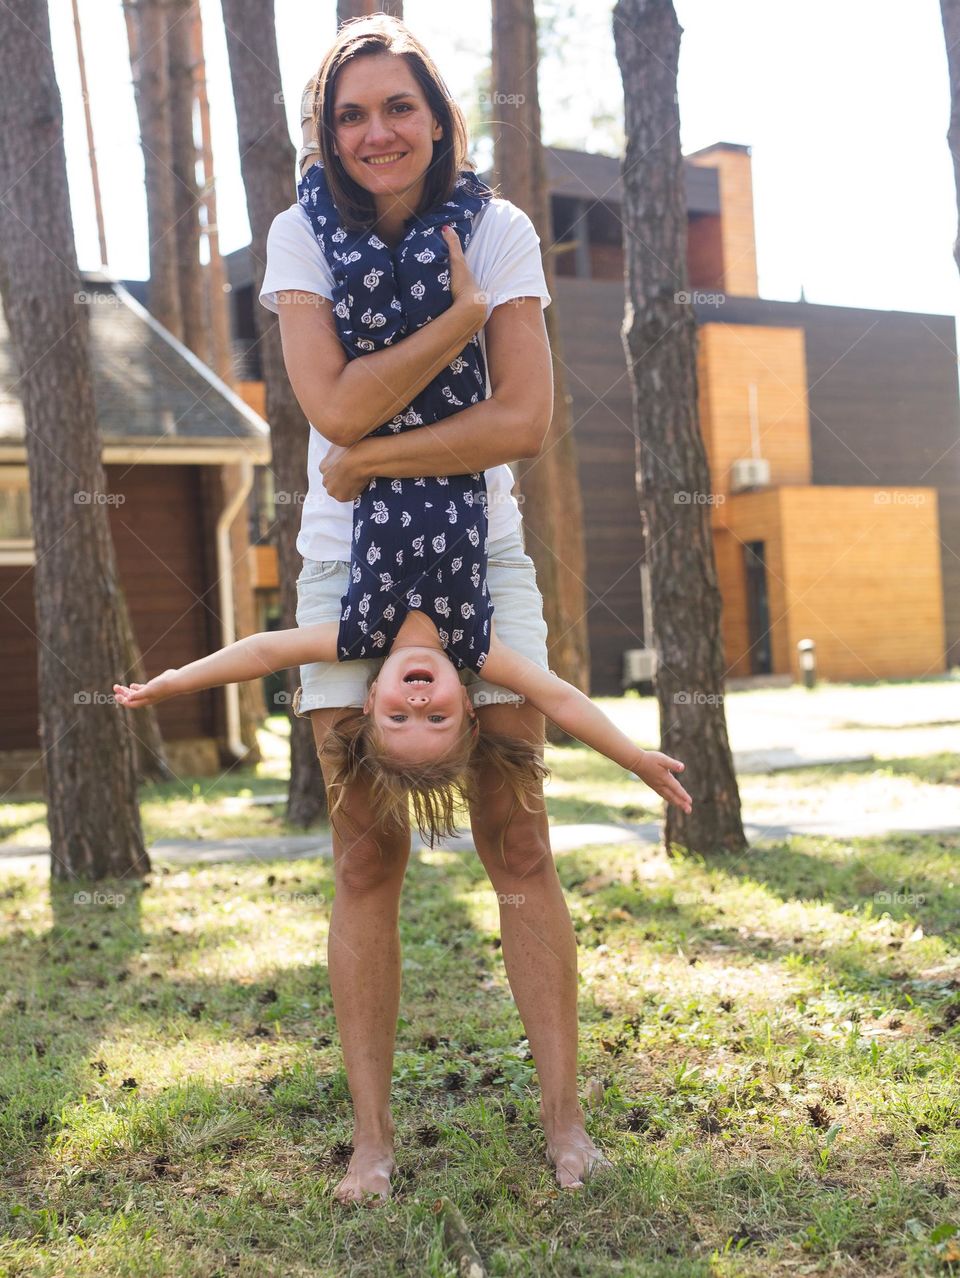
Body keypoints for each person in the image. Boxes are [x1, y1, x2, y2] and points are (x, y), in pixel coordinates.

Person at [151, 14, 692, 1203]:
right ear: (326, 133)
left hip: (479, 562)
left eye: (400, 107)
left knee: (519, 836)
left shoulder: (496, 229)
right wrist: (448, 332)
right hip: (346, 572)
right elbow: (332, 410)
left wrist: (373, 457)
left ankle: (564, 1127)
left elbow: (522, 424)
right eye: (352, 114)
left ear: (440, 118)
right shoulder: (299, 236)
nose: (376, 132)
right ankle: (373, 1142)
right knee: (361, 857)